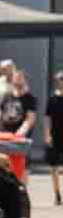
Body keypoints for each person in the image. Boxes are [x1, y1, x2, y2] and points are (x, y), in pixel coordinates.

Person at [47, 71, 63, 205]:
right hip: (55, 135)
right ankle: (57, 194)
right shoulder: (52, 98)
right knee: (54, 166)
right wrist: (47, 135)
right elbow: (47, 118)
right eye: (60, 79)